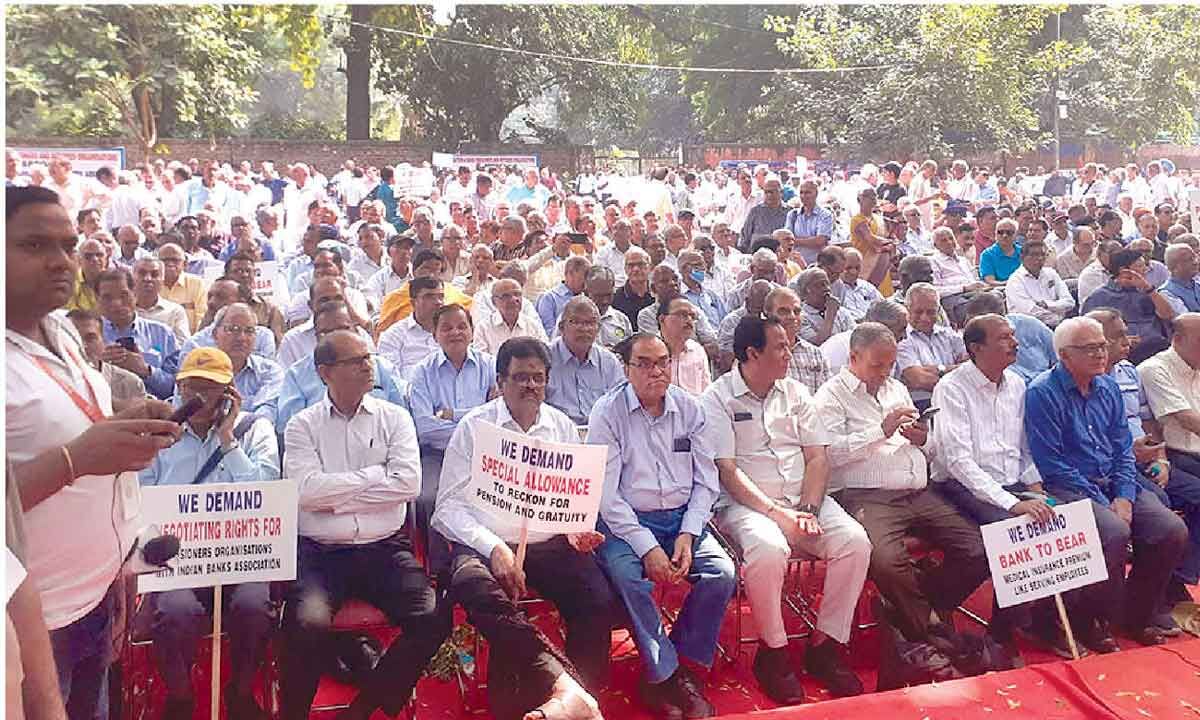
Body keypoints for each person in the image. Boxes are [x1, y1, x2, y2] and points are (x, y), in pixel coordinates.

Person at [7, 185, 182, 720]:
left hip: (98, 598)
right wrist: (77, 459)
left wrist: (119, 430)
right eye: (34, 245)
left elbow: (67, 432)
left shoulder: (59, 328)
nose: (61, 260)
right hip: (31, 620)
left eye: (67, 244)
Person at [433, 337, 608, 720]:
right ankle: (552, 695)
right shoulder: (475, 427)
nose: (531, 386)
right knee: (488, 597)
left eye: (538, 378)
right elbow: (447, 507)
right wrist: (494, 547)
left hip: (548, 542)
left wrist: (578, 529)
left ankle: (574, 702)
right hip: (485, 543)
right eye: (521, 377)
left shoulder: (560, 425)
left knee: (596, 599)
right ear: (500, 381)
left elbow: (573, 496)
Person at [281, 330, 450, 720]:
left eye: (369, 357)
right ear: (326, 372)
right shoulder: (302, 425)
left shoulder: (395, 417)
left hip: (385, 549)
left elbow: (408, 484)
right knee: (305, 624)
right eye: (356, 360)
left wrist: (336, 496)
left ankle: (363, 709)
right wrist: (376, 476)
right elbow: (305, 494)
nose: (368, 365)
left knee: (432, 618)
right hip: (320, 554)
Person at [702, 316, 868, 702]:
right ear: (751, 353)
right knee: (769, 548)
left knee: (855, 543)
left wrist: (808, 507)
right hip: (748, 505)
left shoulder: (795, 392)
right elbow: (727, 471)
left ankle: (825, 645)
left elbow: (817, 458)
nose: (789, 354)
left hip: (804, 498)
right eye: (780, 347)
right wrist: (779, 514)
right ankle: (773, 652)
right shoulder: (718, 397)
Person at [589, 333, 736, 720]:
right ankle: (666, 677)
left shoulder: (690, 409)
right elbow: (606, 496)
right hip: (626, 522)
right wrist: (646, 546)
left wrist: (688, 532)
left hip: (681, 519)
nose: (656, 372)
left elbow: (706, 481)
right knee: (628, 575)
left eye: (662, 362)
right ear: (626, 368)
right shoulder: (607, 413)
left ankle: (676, 668)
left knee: (721, 573)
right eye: (644, 363)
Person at [815, 322, 989, 643]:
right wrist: (880, 430)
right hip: (866, 495)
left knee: (978, 549)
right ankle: (929, 629)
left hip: (916, 489)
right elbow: (829, 455)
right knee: (885, 561)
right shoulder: (830, 396)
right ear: (853, 357)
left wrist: (922, 438)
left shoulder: (895, 387)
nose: (885, 372)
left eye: (890, 364)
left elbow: (927, 446)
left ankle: (917, 609)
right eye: (876, 364)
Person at [1025, 317, 1188, 648]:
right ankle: (1088, 620)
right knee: (1112, 531)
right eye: (1090, 348)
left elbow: (1122, 449)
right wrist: (1103, 501)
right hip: (1069, 485)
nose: (1101, 353)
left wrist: (1125, 495)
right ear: (1065, 355)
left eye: (1102, 345)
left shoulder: (1108, 386)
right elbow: (1051, 463)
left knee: (1170, 530)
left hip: (1114, 481)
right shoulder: (1042, 393)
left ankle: (1135, 614)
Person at [139, 348, 278, 720]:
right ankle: (180, 694)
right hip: (176, 558)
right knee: (175, 611)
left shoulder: (254, 429)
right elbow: (141, 497)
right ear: (179, 388)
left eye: (211, 389)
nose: (200, 399)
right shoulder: (158, 433)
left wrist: (228, 439)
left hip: (240, 555)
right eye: (192, 388)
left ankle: (241, 692)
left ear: (230, 392)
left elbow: (266, 491)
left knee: (253, 607)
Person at [928, 314, 1061, 649]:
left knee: (1060, 521)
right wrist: (1012, 503)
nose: (1014, 343)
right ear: (976, 348)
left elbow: (1023, 446)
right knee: (1018, 531)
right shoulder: (952, 388)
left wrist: (1033, 486)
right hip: (960, 484)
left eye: (1012, 335)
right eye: (1003, 338)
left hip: (1010, 480)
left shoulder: (1016, 383)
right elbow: (958, 461)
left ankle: (1033, 621)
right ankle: (999, 636)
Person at [407, 304, 496, 542]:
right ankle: (438, 569)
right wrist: (476, 418)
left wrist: (452, 414)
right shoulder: (422, 373)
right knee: (427, 498)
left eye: (461, 326)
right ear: (434, 335)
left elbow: (497, 419)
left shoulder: (492, 366)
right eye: (446, 328)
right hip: (438, 454)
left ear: (472, 331)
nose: (455, 332)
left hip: (485, 455)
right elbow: (425, 429)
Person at [1138, 313, 1200, 613]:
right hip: (1173, 455)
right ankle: (1178, 579)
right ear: (1178, 340)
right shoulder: (1155, 369)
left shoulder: (1196, 366)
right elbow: (1187, 419)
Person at [276, 301, 409, 438]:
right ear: (316, 336)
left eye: (343, 329)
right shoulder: (297, 375)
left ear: (355, 331)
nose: (338, 336)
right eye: (328, 332)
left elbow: (401, 418)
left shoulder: (380, 367)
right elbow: (289, 429)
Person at [96, 268, 180, 400]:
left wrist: (146, 370)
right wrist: (98, 366)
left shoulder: (162, 334)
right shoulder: (89, 335)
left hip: (154, 412)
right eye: (107, 298)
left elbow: (177, 389)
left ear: (135, 294)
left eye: (123, 296)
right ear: (97, 300)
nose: (117, 304)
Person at [1081, 248, 1176, 364]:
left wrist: (1148, 289)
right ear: (1124, 271)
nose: (1145, 270)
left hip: (1158, 346)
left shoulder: (1147, 291)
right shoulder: (1100, 297)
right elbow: (1088, 331)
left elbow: (1168, 315)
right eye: (1140, 266)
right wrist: (1121, 340)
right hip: (1126, 351)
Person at [546, 297, 624, 425]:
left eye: (591, 323)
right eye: (575, 322)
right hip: (556, 435)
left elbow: (619, 406)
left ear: (598, 329)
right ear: (561, 327)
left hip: (599, 434)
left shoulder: (609, 362)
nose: (584, 329)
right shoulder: (544, 359)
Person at [896, 283, 967, 411]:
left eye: (931, 312)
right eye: (918, 312)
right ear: (907, 309)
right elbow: (918, 379)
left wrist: (936, 370)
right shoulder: (901, 338)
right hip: (921, 405)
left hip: (956, 399)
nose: (925, 318)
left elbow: (972, 367)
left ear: (939, 311)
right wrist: (956, 369)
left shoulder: (949, 334)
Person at [213, 303, 284, 426]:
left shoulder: (269, 371)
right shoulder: (196, 369)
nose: (241, 338)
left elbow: (265, 416)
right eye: (232, 329)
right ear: (215, 334)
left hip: (251, 439)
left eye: (249, 331)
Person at [277, 276, 370, 369]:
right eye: (325, 300)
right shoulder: (293, 340)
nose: (332, 303)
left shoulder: (359, 334)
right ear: (310, 305)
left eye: (338, 298)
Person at [67, 308, 147, 410]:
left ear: (103, 340)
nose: (83, 345)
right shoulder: (56, 382)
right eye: (74, 338)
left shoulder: (130, 383)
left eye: (90, 338)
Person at [763, 286, 832, 395]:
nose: (792, 316)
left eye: (797, 311)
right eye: (783, 311)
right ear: (767, 315)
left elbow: (827, 397)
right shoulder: (759, 354)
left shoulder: (815, 354)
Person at [1004, 239, 1074, 328]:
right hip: (1028, 327)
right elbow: (1030, 311)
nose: (1040, 258)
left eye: (1043, 255)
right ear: (1022, 257)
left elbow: (1069, 302)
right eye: (1034, 255)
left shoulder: (1051, 273)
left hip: (1058, 323)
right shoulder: (1015, 281)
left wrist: (1047, 305)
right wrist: (1057, 315)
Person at [223, 253, 286, 347]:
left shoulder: (269, 309)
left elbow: (279, 345)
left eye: (248, 271)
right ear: (226, 275)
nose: (244, 275)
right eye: (238, 271)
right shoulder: (218, 304)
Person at [473, 277, 549, 354]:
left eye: (517, 294)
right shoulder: (483, 328)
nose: (514, 299)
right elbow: (481, 362)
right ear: (494, 301)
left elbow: (545, 355)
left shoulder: (533, 326)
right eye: (506, 296)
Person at [657, 296, 711, 395]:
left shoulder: (697, 350)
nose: (689, 320)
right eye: (682, 314)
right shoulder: (650, 350)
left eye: (692, 316)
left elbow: (706, 392)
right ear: (662, 319)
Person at [849, 187, 895, 297]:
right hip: (866, 264)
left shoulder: (878, 218)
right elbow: (871, 239)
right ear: (861, 199)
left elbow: (885, 237)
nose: (873, 199)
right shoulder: (857, 219)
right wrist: (889, 243)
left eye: (875, 196)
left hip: (881, 263)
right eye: (870, 196)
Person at [793, 268, 855, 347]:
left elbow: (855, 337)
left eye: (827, 284)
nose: (827, 289)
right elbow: (819, 344)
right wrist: (830, 314)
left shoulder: (841, 311)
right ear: (806, 290)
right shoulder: (801, 317)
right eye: (820, 285)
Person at [156, 243, 208, 332]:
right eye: (165, 260)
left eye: (175, 260)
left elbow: (202, 318)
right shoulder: (152, 284)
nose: (170, 264)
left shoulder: (197, 284)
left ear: (185, 264)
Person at [583, 265, 633, 349]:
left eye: (609, 295)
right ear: (586, 292)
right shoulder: (572, 320)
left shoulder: (622, 320)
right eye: (599, 296)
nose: (605, 301)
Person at [784, 180, 834, 266]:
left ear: (816, 194)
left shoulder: (825, 215)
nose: (804, 196)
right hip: (796, 264)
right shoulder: (792, 214)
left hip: (817, 264)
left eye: (808, 193)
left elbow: (820, 241)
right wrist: (810, 240)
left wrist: (795, 241)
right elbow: (787, 239)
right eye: (801, 193)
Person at [831, 247, 884, 322]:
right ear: (839, 267)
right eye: (848, 268)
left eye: (857, 268)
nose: (853, 272)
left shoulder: (867, 286)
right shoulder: (835, 289)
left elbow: (883, 306)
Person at [740, 179, 789, 251]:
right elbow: (745, 236)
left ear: (781, 192)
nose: (769, 195)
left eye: (771, 192)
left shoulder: (789, 213)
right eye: (766, 192)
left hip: (780, 254)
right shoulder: (755, 212)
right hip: (758, 255)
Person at [612, 247, 655, 330]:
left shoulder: (658, 295)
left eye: (641, 264)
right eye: (631, 265)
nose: (636, 269)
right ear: (625, 269)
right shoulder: (616, 298)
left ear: (650, 267)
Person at [979, 218, 1023, 285]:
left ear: (1016, 234)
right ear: (995, 234)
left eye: (1009, 232)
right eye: (1000, 232)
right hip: (1000, 290)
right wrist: (1009, 284)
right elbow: (990, 281)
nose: (1004, 235)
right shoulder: (987, 254)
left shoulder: (1024, 252)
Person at [1161, 243, 1200, 314]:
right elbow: (1188, 321)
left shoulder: (1197, 285)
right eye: (1189, 260)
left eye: (1194, 257)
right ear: (1174, 267)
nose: (1195, 262)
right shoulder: (1167, 293)